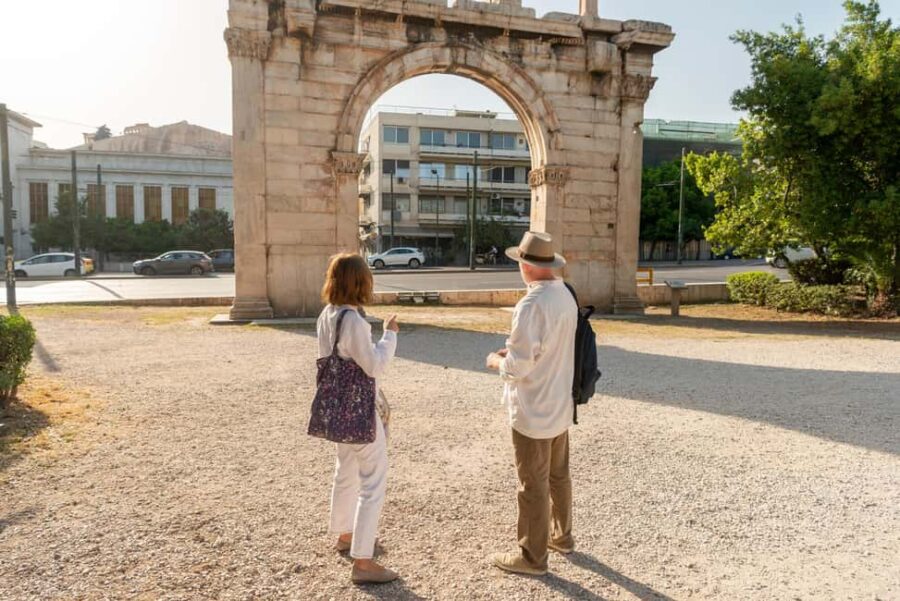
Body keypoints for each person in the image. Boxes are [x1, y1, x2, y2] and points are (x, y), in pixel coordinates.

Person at [485, 231, 578, 576]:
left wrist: (496, 361)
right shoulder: (564, 295)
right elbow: (550, 347)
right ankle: (562, 536)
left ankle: (532, 557)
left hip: (533, 407)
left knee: (531, 484)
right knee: (558, 476)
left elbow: (518, 367)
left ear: (525, 264)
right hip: (559, 402)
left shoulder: (531, 303)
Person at [316, 253, 400, 585]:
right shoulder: (353, 320)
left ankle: (344, 534)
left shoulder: (327, 314)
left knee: (345, 471)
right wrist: (389, 335)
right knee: (373, 483)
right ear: (361, 282)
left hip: (336, 408)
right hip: (359, 410)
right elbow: (374, 365)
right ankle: (363, 562)